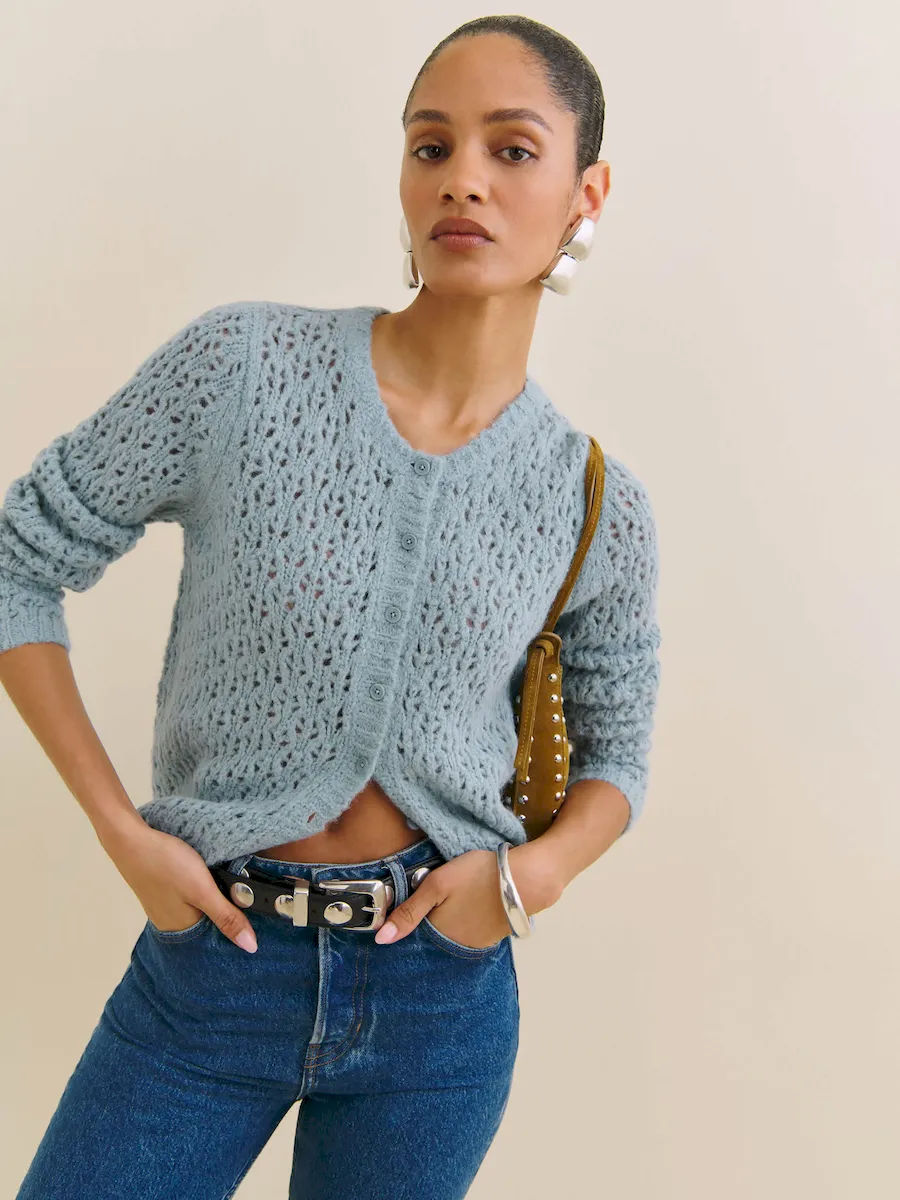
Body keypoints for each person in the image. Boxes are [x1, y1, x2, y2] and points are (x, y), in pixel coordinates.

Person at [2, 15, 661, 1199]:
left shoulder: (591, 498)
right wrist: (118, 830)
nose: (462, 178)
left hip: (438, 1008)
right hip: (211, 970)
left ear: (587, 194)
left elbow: (619, 762)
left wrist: (525, 883)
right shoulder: (242, 370)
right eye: (431, 145)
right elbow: (18, 559)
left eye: (513, 150)